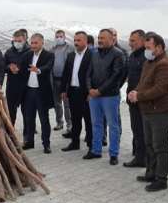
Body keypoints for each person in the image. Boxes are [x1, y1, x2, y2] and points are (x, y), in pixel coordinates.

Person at [128, 32, 168, 192]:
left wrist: (139, 95)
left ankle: (161, 179)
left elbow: (159, 89)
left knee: (160, 146)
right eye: (145, 47)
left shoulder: (165, 64)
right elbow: (144, 83)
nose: (146, 51)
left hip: (160, 112)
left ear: (159, 47)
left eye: (149, 48)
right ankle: (151, 172)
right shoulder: (149, 62)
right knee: (149, 144)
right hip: (147, 110)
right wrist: (135, 91)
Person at [84, 29, 125, 165]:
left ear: (111, 40)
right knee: (96, 124)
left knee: (113, 125)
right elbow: (88, 73)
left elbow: (115, 76)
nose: (100, 40)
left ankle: (114, 154)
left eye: (103, 38)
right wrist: (90, 89)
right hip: (94, 95)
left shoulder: (118, 54)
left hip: (109, 96)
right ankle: (96, 150)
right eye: (99, 37)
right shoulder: (94, 53)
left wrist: (99, 91)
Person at [21, 33, 55, 154]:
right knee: (29, 118)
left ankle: (46, 144)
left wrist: (38, 70)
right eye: (32, 43)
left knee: (44, 119)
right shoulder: (27, 55)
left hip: (41, 92)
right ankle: (29, 142)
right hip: (29, 91)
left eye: (36, 43)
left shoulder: (49, 55)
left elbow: (48, 66)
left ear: (42, 43)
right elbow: (21, 67)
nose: (33, 45)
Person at [60, 31, 92, 152]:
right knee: (75, 118)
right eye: (75, 40)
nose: (76, 43)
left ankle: (91, 145)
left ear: (85, 41)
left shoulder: (91, 55)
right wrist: (63, 89)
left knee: (88, 120)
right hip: (73, 91)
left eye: (79, 40)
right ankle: (75, 142)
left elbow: (93, 75)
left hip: (85, 93)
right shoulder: (71, 55)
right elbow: (66, 74)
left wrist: (91, 92)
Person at [123, 30, 147, 168]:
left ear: (143, 40)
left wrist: (137, 93)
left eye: (133, 41)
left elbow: (146, 80)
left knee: (144, 131)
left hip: (142, 100)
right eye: (130, 40)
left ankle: (144, 158)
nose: (130, 43)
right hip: (132, 99)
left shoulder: (146, 57)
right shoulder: (132, 56)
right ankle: (139, 157)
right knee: (136, 130)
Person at [4, 30, 31, 126]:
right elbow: (3, 66)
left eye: (19, 41)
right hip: (12, 85)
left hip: (26, 85)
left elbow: (34, 67)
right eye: (15, 41)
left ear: (24, 40)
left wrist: (21, 69)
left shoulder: (30, 51)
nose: (17, 43)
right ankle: (10, 131)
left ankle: (27, 135)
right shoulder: (9, 52)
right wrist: (9, 68)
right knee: (10, 110)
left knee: (27, 111)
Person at [50, 30, 74, 133]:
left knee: (67, 103)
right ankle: (59, 122)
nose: (58, 38)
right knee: (57, 103)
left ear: (64, 37)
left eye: (60, 36)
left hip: (66, 81)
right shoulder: (52, 49)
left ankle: (70, 124)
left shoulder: (69, 49)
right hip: (55, 79)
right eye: (57, 36)